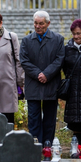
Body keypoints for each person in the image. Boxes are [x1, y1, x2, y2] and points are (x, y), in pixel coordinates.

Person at [19, 10, 65, 145]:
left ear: (48, 23)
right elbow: (24, 60)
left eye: (41, 24)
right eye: (35, 23)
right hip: (33, 84)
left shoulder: (58, 39)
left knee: (50, 118)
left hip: (51, 84)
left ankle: (48, 144)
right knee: (33, 117)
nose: (38, 26)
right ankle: (35, 145)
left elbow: (60, 59)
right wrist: (39, 74)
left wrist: (47, 74)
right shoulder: (27, 40)